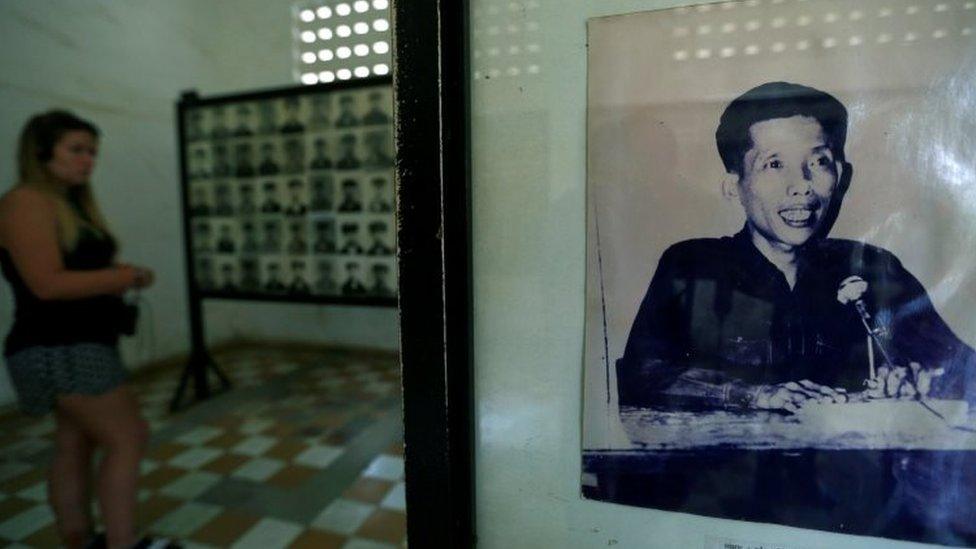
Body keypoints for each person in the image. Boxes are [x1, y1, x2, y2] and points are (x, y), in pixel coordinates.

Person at [616, 82, 976, 413]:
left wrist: (926, 380)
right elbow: (641, 376)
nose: (801, 186)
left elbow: (964, 369)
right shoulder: (692, 267)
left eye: (818, 162)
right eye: (774, 165)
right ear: (733, 186)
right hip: (727, 479)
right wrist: (754, 396)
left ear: (841, 177)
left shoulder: (872, 267)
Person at [0, 111, 171, 548]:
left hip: (77, 341)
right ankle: (122, 542)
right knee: (128, 437)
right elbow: (46, 283)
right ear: (41, 151)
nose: (88, 161)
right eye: (76, 150)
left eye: (92, 152)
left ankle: (79, 539)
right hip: (60, 345)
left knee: (75, 442)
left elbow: (75, 269)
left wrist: (118, 273)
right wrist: (123, 278)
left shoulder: (68, 203)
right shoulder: (25, 201)